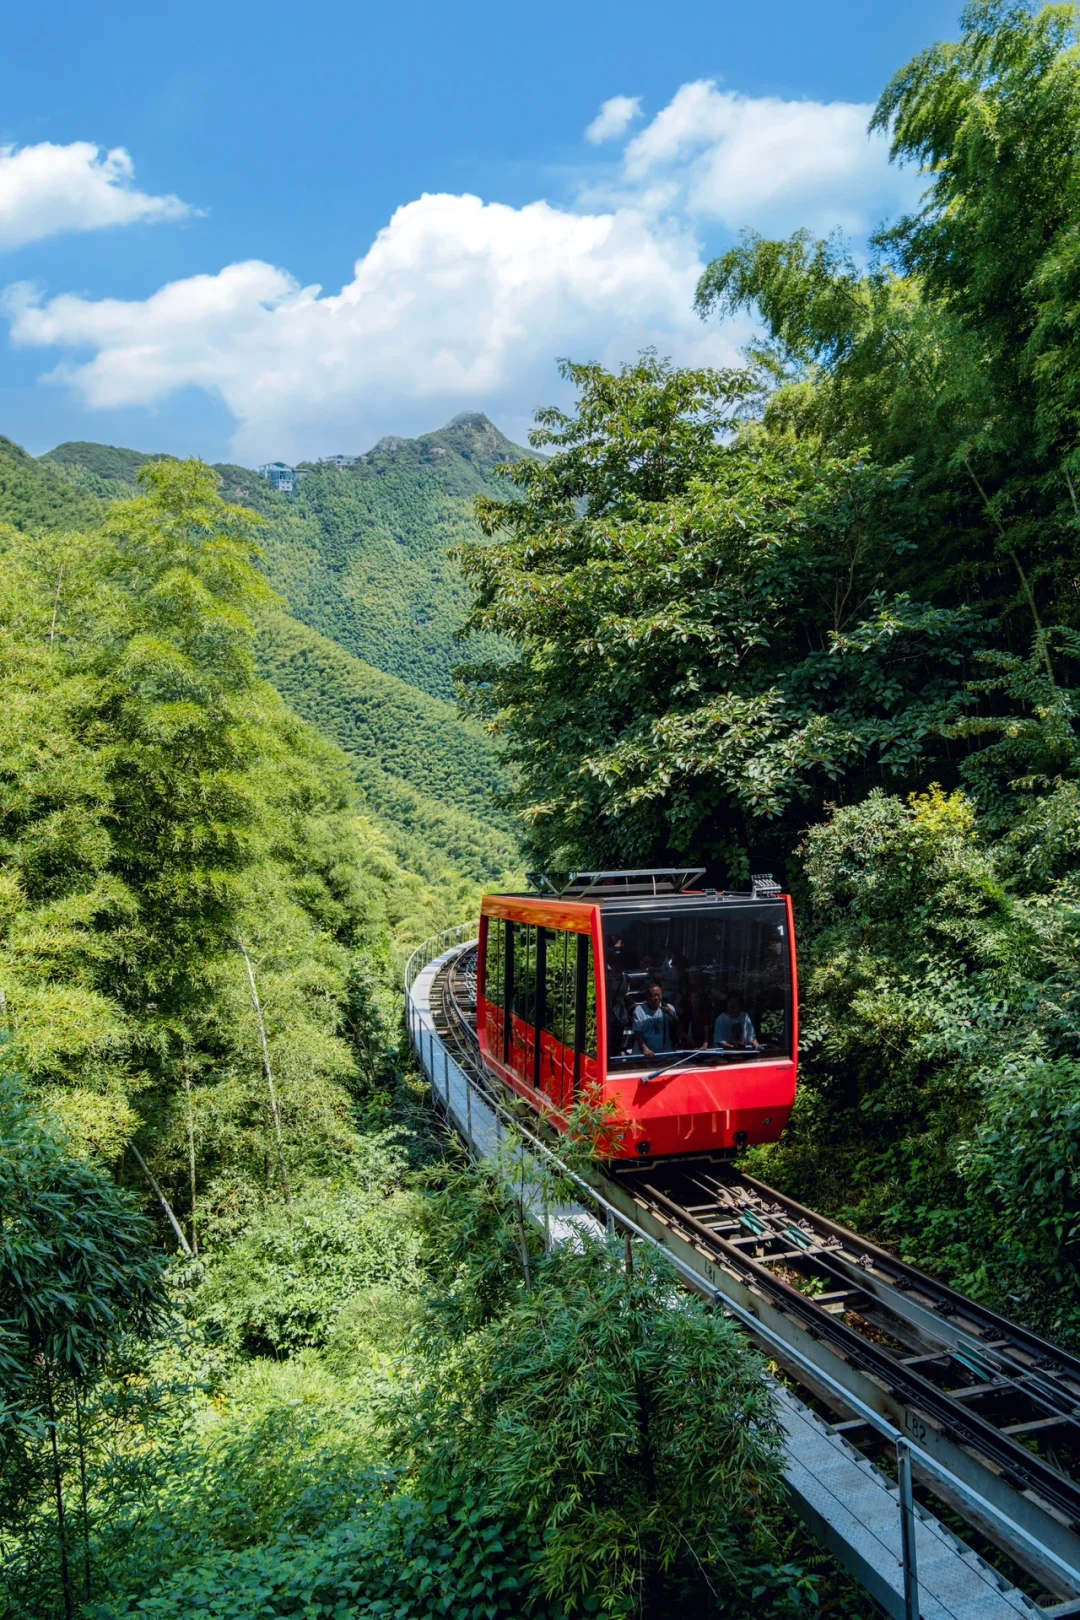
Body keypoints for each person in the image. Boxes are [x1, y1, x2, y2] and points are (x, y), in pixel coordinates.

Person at [632, 979, 677, 1058]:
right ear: (647, 996)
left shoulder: (669, 1008)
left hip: (663, 1053)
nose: (656, 998)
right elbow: (637, 1032)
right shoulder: (639, 1010)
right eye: (653, 995)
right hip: (644, 1054)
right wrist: (645, 1049)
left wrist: (671, 1014)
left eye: (658, 995)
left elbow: (678, 1026)